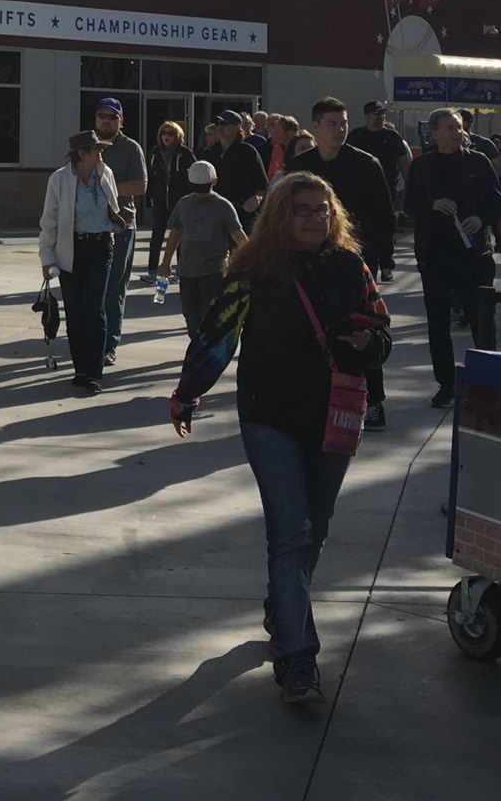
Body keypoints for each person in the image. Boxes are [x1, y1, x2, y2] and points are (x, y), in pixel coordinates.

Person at [168, 174, 392, 706]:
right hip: (269, 416)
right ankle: (297, 658)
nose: (317, 218)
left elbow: (382, 334)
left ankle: (282, 608)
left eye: (324, 210)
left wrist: (368, 340)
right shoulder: (252, 270)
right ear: (279, 217)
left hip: (333, 416)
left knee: (314, 531)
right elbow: (218, 334)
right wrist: (188, 391)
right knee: (291, 531)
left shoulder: (350, 267)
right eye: (303, 210)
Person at [289, 97, 396, 429]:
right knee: (314, 330)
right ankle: (316, 397)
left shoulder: (366, 164)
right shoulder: (300, 168)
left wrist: (381, 256)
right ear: (316, 127)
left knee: (361, 328)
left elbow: (384, 214)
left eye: (344, 123)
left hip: (356, 261)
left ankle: (373, 400)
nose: (340, 130)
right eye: (333, 124)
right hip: (308, 260)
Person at [403, 108, 501, 407]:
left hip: (473, 254)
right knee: (438, 323)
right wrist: (433, 204)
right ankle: (446, 384)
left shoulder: (478, 161)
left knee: (480, 319)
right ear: (434, 132)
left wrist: (480, 218)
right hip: (434, 254)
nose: (457, 132)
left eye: (459, 127)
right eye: (450, 127)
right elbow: (409, 206)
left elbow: (497, 202)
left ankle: (489, 381)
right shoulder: (422, 166)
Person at [38, 130, 126, 392]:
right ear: (81, 154)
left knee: (95, 308)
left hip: (101, 246)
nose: (101, 153)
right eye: (96, 149)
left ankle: (94, 372)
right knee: (75, 311)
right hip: (71, 248)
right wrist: (46, 256)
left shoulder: (105, 174)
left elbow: (114, 207)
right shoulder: (59, 179)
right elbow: (49, 221)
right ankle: (80, 369)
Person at [157, 159, 245, 337]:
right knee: (191, 315)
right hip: (187, 272)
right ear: (215, 181)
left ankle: (206, 347)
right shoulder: (184, 204)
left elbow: (239, 236)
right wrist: (165, 263)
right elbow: (175, 235)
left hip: (213, 272)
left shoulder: (222, 205)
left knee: (208, 314)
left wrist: (253, 259)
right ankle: (198, 345)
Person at [91, 98, 146, 363]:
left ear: (121, 121)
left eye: (112, 117)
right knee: (90, 288)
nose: (106, 120)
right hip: (88, 228)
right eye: (102, 115)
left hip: (121, 227)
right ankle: (91, 339)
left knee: (113, 288)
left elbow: (140, 186)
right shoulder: (86, 146)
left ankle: (109, 345)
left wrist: (108, 190)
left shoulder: (131, 148)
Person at [348, 103, 412, 254]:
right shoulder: (356, 136)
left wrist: (411, 186)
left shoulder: (392, 136)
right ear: (367, 117)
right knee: (362, 225)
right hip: (361, 190)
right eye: (376, 114)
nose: (381, 118)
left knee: (386, 224)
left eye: (382, 114)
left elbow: (404, 162)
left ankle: (386, 262)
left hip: (387, 188)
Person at [141, 121, 197, 281]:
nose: (166, 136)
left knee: (179, 236)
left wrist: (189, 196)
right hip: (160, 201)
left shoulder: (184, 153)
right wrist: (150, 196)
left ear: (177, 136)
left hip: (179, 201)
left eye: (170, 133)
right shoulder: (155, 152)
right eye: (164, 133)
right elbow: (149, 176)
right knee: (157, 235)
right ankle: (152, 271)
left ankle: (180, 271)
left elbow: (193, 174)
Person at [205, 110, 268, 231]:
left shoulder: (248, 152)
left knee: (241, 248)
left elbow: (262, 185)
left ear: (237, 128)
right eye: (217, 124)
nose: (219, 127)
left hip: (241, 214)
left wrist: (256, 199)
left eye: (224, 124)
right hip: (214, 213)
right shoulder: (209, 153)